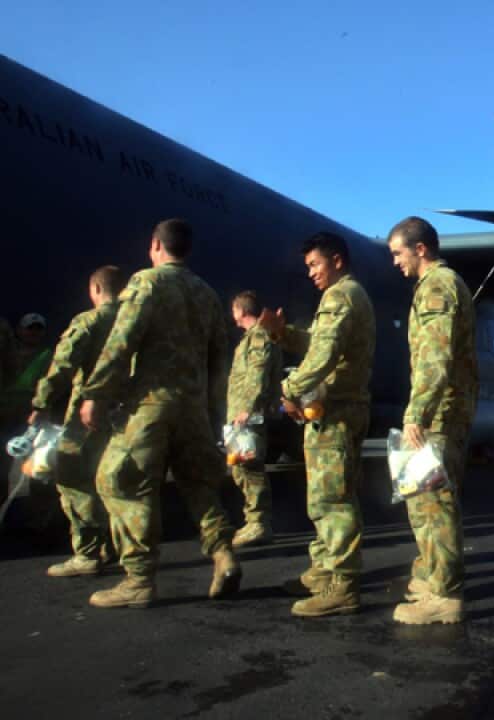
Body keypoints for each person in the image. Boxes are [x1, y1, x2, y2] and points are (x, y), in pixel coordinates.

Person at [78, 218, 242, 608]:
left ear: (155, 245)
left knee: (120, 482)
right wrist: (212, 408)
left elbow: (122, 341)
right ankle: (223, 554)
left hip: (151, 404)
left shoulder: (146, 283)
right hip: (193, 407)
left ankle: (138, 579)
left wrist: (96, 393)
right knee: (199, 485)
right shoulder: (206, 293)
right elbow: (220, 357)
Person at [259, 231, 375, 618]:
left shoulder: (340, 296)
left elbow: (323, 354)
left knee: (332, 499)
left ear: (337, 260)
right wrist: (284, 334)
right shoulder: (349, 295)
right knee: (326, 495)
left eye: (315, 264)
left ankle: (342, 585)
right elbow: (321, 342)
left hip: (337, 411)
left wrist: (288, 389)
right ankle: (324, 570)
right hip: (338, 409)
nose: (310, 273)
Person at [386, 216, 478, 625]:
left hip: (439, 413)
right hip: (440, 409)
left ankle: (444, 594)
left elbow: (435, 356)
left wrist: (417, 412)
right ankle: (431, 575)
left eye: (398, 253)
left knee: (433, 501)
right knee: (422, 499)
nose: (395, 262)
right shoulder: (436, 285)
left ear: (420, 249)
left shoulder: (438, 286)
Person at [28, 266, 124, 577]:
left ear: (95, 289)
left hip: (87, 415)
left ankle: (87, 552)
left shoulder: (89, 322)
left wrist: (41, 403)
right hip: (127, 415)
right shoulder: (136, 322)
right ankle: (113, 544)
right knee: (111, 479)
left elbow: (63, 366)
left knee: (71, 477)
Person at [225, 291, 282, 548]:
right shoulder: (252, 337)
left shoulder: (258, 336)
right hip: (243, 413)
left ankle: (258, 522)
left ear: (241, 310)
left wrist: (247, 409)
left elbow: (257, 373)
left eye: (233, 310)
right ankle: (255, 520)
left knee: (249, 466)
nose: (232, 315)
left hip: (248, 414)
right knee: (241, 465)